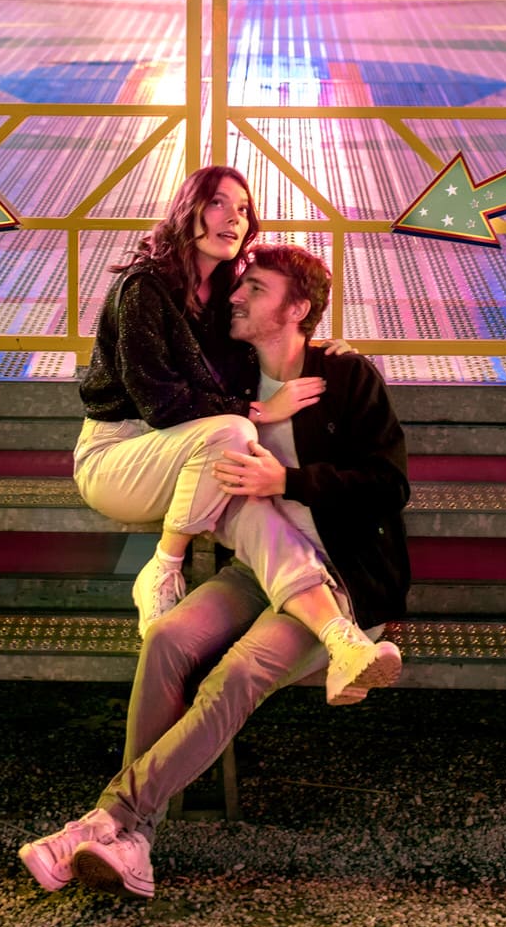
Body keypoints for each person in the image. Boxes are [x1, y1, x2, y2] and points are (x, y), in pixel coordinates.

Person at [21, 243, 409, 900]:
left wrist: (285, 478)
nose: (237, 297)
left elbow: (387, 485)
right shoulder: (229, 383)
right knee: (169, 638)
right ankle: (133, 843)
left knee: (240, 670)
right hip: (256, 571)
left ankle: (110, 821)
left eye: (255, 290)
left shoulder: (345, 377)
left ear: (297, 309)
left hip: (342, 575)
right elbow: (180, 440)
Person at [74, 167, 375, 652]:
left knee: (257, 508)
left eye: (242, 209)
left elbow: (266, 340)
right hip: (119, 457)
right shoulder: (143, 290)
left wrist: (315, 349)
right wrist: (260, 412)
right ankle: (164, 567)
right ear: (187, 208)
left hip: (195, 462)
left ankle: (339, 637)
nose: (234, 218)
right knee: (236, 435)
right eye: (218, 203)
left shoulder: (225, 296)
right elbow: (162, 405)